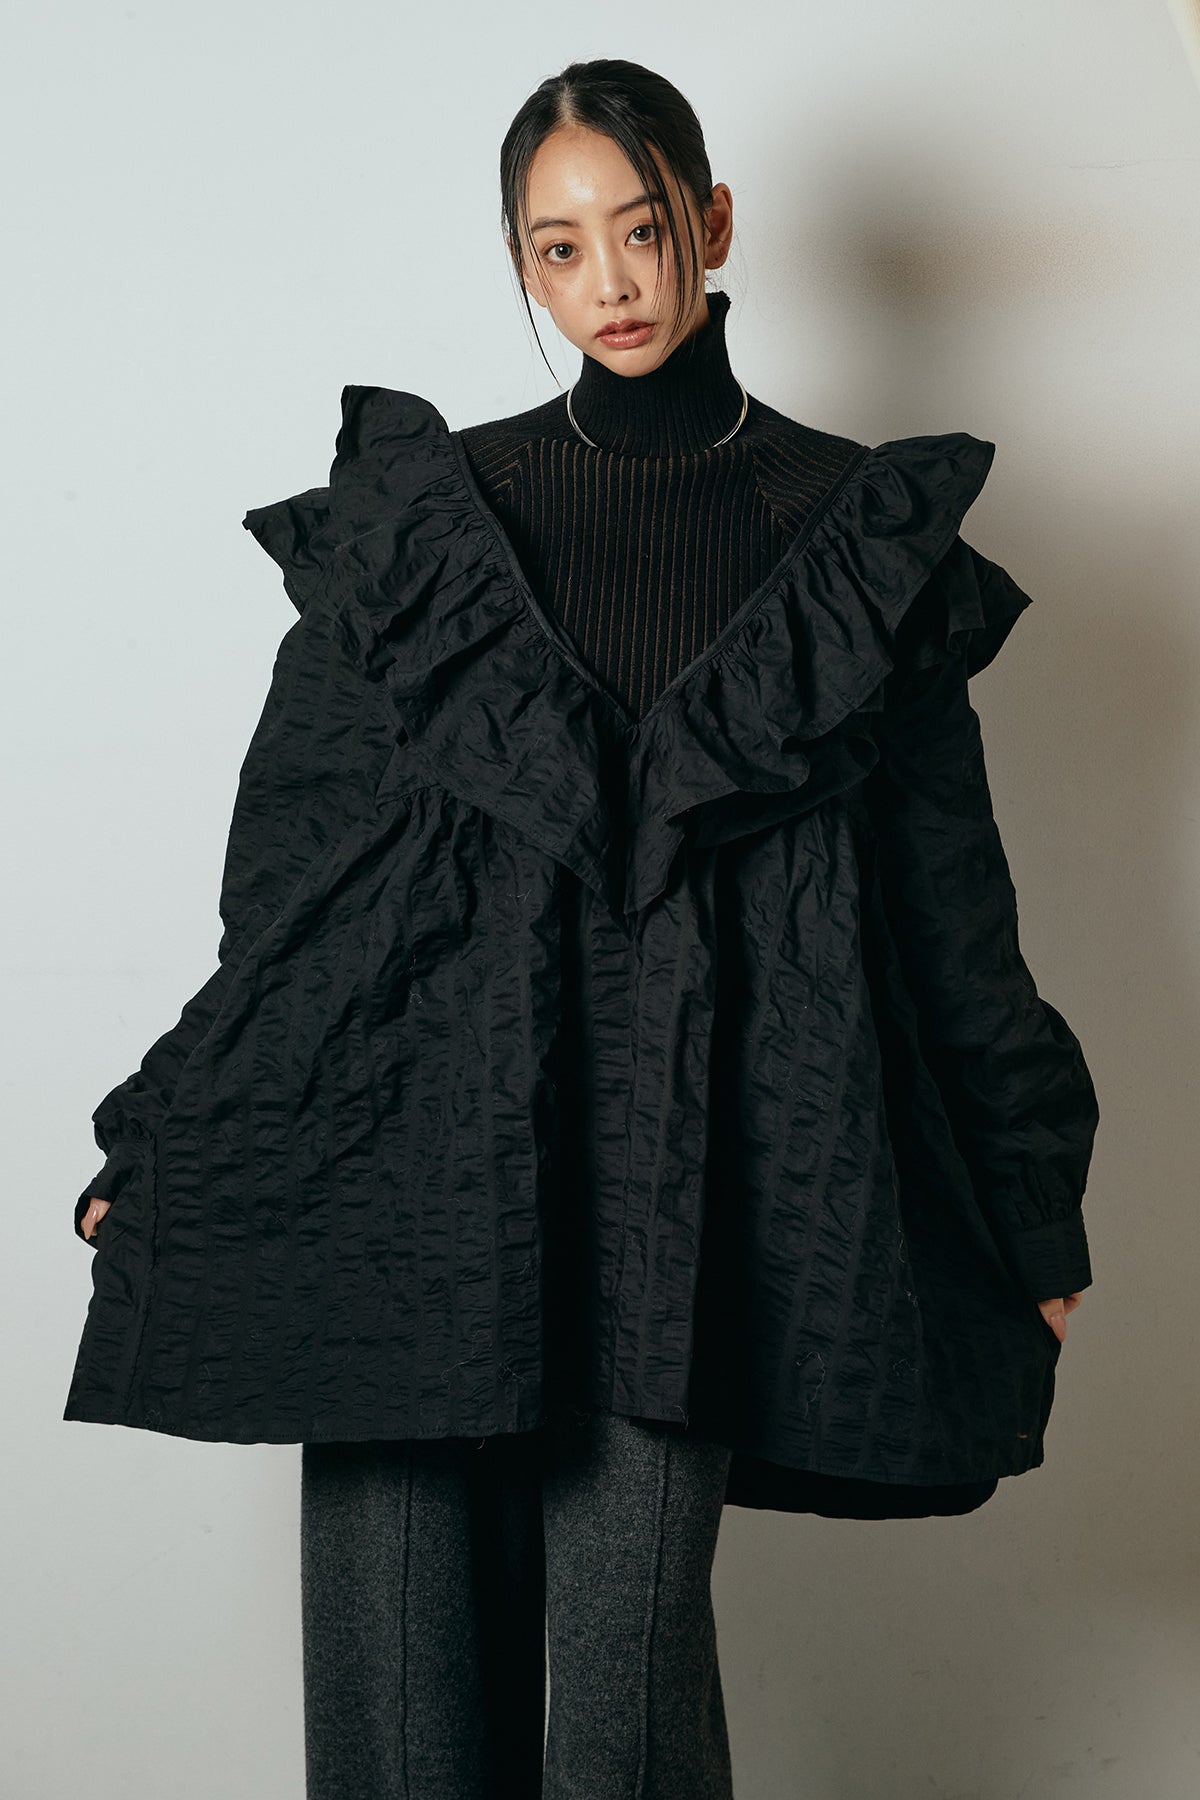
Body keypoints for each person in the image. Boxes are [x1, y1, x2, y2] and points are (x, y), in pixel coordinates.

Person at [67, 58, 1099, 1800]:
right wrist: (163, 1132)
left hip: (687, 1175)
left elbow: (948, 904)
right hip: (407, 1150)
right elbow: (292, 888)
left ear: (713, 221)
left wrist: (1025, 1197)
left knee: (624, 1704)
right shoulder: (423, 526)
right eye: (559, 248)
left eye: (640, 228)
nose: (609, 281)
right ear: (521, 267)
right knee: (401, 1700)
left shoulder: (852, 537)